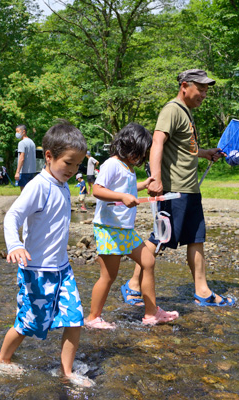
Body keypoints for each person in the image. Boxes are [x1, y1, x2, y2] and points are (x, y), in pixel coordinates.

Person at [0, 121, 93, 387]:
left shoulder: (63, 185)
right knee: (28, 323)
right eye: (68, 163)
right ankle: (1, 360)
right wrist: (15, 245)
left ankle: (66, 372)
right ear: (49, 156)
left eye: (78, 164)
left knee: (75, 318)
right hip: (37, 271)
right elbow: (12, 217)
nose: (73, 170)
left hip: (62, 269)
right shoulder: (39, 186)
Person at [124, 69, 234, 307]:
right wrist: (155, 177)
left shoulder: (186, 113)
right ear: (185, 86)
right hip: (174, 189)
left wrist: (205, 154)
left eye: (206, 90)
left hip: (190, 187)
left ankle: (202, 290)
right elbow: (157, 142)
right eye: (201, 89)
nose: (204, 94)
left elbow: (185, 150)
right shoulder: (172, 110)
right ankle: (133, 284)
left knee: (196, 238)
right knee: (161, 238)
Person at [84, 123, 179, 329]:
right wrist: (121, 197)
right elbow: (98, 190)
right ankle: (93, 318)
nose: (140, 158)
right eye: (138, 153)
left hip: (125, 229)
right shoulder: (111, 164)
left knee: (148, 261)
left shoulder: (127, 167)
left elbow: (125, 188)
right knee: (108, 276)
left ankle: (151, 313)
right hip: (109, 229)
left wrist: (142, 185)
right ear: (127, 146)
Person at [14, 124, 37, 191]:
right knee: (30, 192)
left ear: (23, 132)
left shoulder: (21, 143)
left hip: (24, 172)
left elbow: (22, 158)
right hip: (32, 171)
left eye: (18, 131)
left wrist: (17, 172)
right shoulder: (32, 142)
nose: (16, 134)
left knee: (24, 193)